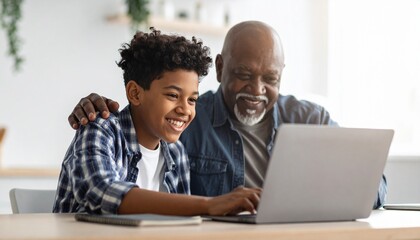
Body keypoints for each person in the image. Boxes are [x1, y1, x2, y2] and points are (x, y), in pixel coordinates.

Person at [67, 21, 387, 209]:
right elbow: (105, 190)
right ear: (220, 69)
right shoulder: (171, 129)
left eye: (270, 79)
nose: (257, 89)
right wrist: (209, 206)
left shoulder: (311, 119)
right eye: (244, 74)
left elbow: (373, 185)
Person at [53, 28, 261, 215]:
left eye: (192, 100)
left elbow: (180, 227)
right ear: (135, 93)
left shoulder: (176, 153)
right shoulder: (100, 131)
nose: (184, 109)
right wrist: (208, 205)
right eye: (172, 95)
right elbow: (102, 192)